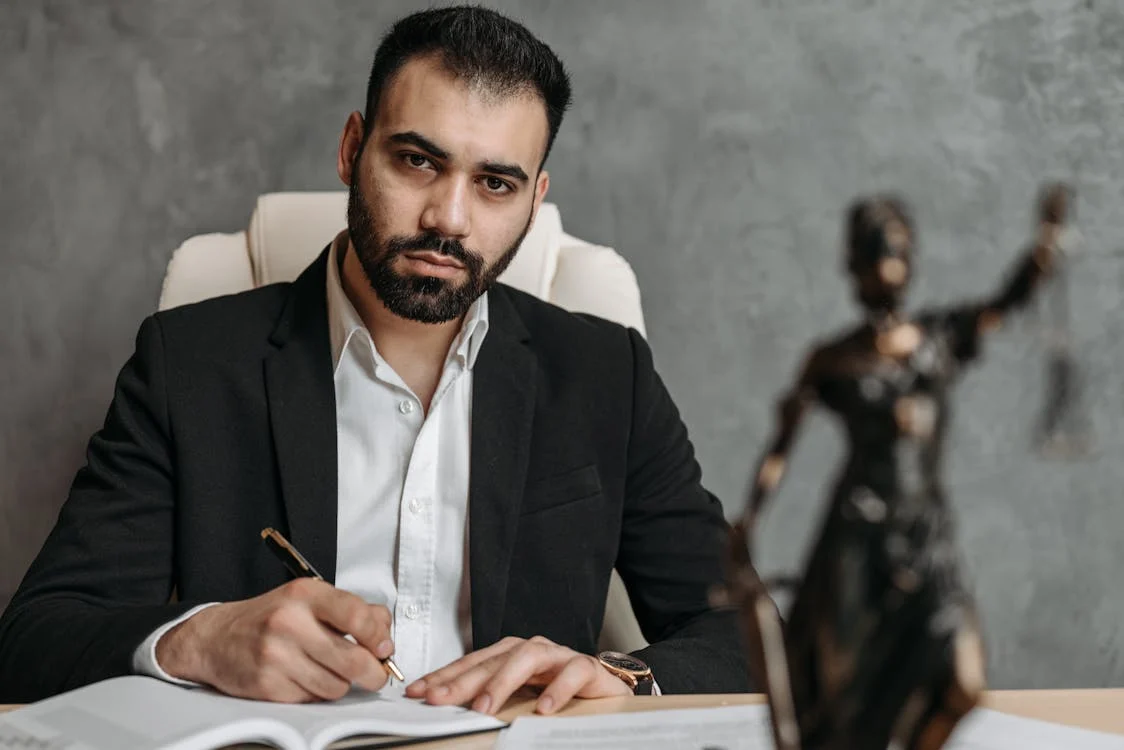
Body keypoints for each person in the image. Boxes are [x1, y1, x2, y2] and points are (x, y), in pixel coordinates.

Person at [0, 6, 749, 712]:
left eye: (495, 183)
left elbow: (753, 640)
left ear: (534, 197)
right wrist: (200, 639)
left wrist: (616, 673)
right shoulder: (186, 364)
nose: (448, 219)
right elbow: (34, 638)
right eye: (419, 161)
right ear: (353, 149)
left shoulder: (605, 375)